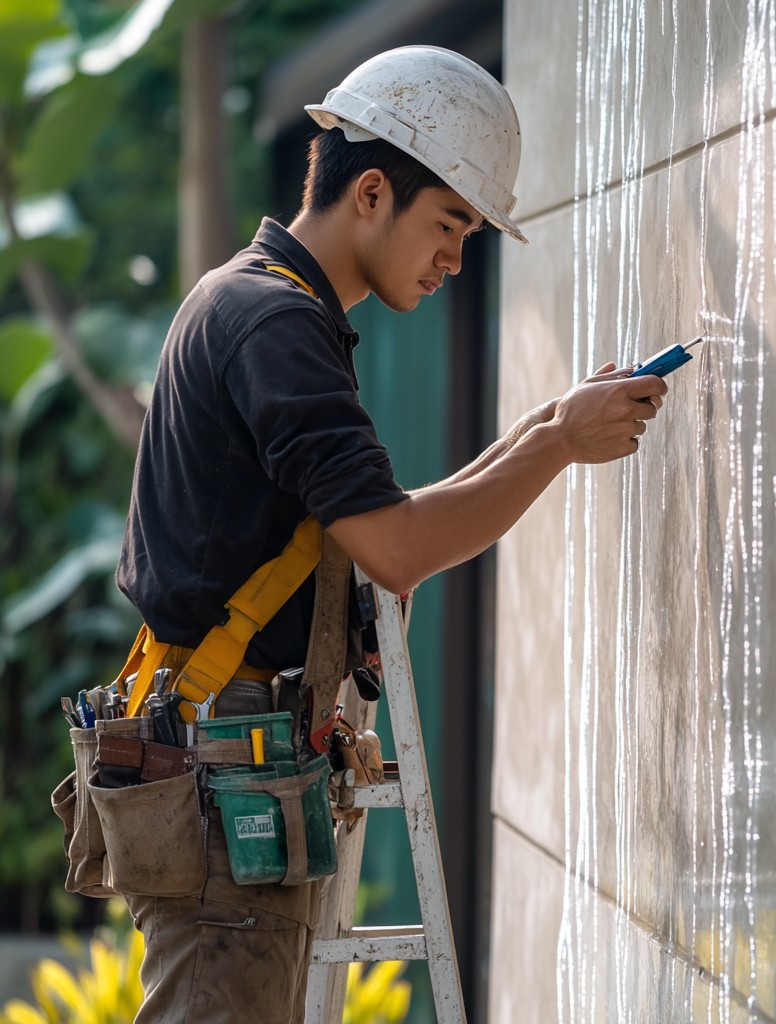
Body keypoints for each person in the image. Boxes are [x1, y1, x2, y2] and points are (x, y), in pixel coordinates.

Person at [112, 45, 668, 1022]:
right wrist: (561, 448)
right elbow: (398, 546)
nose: (457, 258)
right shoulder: (273, 326)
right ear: (371, 191)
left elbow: (386, 519)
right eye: (448, 225)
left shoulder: (261, 306)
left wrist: (550, 429)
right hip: (221, 774)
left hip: (225, 761)